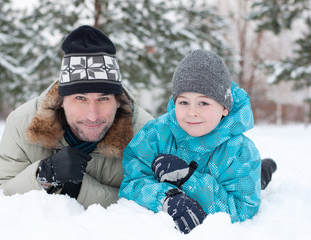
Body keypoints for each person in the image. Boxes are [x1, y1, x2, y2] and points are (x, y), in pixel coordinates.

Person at [0, 25, 153, 208]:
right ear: (62, 100)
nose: (92, 115)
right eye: (80, 98)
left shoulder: (147, 135)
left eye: (103, 98)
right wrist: (44, 175)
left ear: (117, 101)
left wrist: (81, 189)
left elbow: (150, 204)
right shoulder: (23, 123)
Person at [119, 49, 277, 234]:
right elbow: (132, 182)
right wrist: (167, 197)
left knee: (256, 179)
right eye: (184, 102)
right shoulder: (155, 134)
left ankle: (264, 172)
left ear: (225, 107)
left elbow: (243, 209)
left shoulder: (240, 152)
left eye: (203, 103)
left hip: (243, 175)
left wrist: (190, 180)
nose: (192, 112)